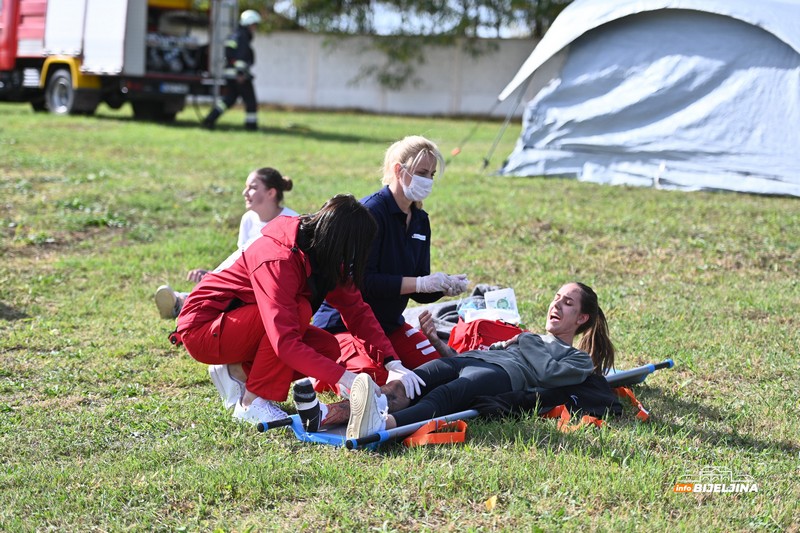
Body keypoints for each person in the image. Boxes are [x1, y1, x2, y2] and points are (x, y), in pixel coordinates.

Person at [174, 194, 419, 425]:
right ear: (340, 242)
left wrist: (392, 362)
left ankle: (238, 371)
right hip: (203, 330)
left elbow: (357, 311)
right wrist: (345, 377)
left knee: (327, 348)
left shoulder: (322, 249)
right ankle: (250, 403)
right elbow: (284, 342)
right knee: (298, 312)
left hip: (233, 324)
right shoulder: (279, 258)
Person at [344, 282, 616, 439]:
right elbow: (473, 355)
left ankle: (382, 426)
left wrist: (526, 340)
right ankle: (335, 413)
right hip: (471, 359)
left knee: (442, 397)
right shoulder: (526, 338)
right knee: (408, 382)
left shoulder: (578, 359)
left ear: (582, 318)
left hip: (502, 374)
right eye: (556, 298)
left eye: (567, 303)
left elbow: (549, 374)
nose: (555, 305)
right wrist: (438, 343)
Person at [312, 135, 469, 398]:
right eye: (421, 173)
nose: (427, 181)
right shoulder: (370, 213)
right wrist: (421, 283)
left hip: (388, 323)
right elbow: (363, 283)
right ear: (399, 170)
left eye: (431, 175)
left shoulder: (420, 220)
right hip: (345, 324)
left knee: (439, 373)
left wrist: (442, 286)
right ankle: (323, 370)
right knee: (374, 380)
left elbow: (418, 287)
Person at [154, 167, 298, 320]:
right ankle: (181, 301)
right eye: (246, 187)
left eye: (253, 188)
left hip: (273, 286)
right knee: (222, 290)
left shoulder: (291, 222)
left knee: (230, 297)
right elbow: (240, 260)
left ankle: (181, 303)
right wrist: (213, 274)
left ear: (271, 193)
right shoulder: (248, 219)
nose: (245, 193)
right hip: (247, 281)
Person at [201, 9, 262, 131]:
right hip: (239, 76)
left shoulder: (235, 35)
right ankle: (251, 126)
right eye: (254, 24)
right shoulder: (243, 37)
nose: (255, 27)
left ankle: (209, 119)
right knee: (251, 101)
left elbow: (231, 55)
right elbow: (241, 57)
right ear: (249, 23)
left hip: (230, 75)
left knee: (228, 100)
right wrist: (240, 73)